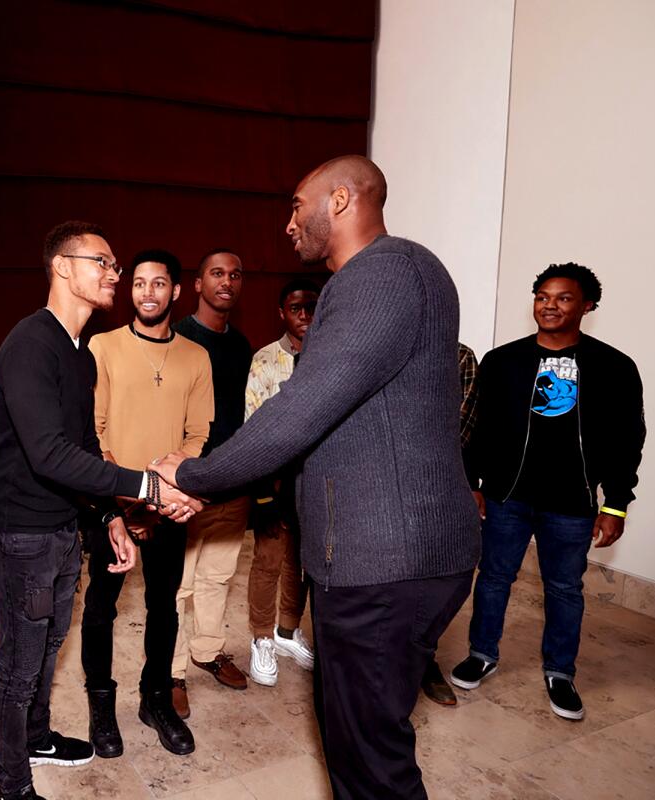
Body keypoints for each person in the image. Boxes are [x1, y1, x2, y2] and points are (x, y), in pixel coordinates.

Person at [153, 155, 480, 799]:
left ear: (338, 201)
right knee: (363, 738)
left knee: (369, 763)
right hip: (389, 556)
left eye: (296, 206)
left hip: (385, 559)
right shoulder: (401, 273)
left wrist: (193, 476)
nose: (288, 224)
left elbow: (300, 411)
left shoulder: (381, 275)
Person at [0, 221, 201, 800]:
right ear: (62, 267)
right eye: (101, 262)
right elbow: (48, 455)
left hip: (58, 527)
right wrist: (146, 489)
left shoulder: (77, 351)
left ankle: (37, 735)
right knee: (19, 666)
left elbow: (78, 442)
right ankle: (12, 786)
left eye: (113, 264)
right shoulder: (30, 345)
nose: (113, 274)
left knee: (50, 648)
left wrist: (109, 516)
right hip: (20, 532)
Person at [451, 263, 645, 721]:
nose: (549, 305)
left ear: (587, 306)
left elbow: (627, 440)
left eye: (562, 298)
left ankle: (560, 671)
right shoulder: (502, 361)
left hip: (572, 503)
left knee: (564, 588)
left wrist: (615, 502)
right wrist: (473, 484)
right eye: (542, 296)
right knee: (495, 577)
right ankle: (483, 653)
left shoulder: (614, 367)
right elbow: (478, 432)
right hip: (506, 496)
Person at [82, 249, 213, 758]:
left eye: (159, 284)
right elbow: (92, 431)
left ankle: (155, 699)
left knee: (164, 607)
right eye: (138, 283)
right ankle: (101, 706)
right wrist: (127, 497)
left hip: (168, 504)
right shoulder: (103, 346)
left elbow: (199, 434)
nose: (148, 293)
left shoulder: (195, 356)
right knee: (101, 607)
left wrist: (167, 488)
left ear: (176, 292)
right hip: (111, 503)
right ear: (129, 290)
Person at [168, 249, 255, 713]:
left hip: (232, 481)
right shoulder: (178, 338)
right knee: (179, 585)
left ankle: (207, 652)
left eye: (235, 274)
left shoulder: (240, 346)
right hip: (187, 484)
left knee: (218, 578)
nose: (227, 281)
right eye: (216, 273)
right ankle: (173, 670)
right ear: (198, 284)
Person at [241, 278, 320, 687]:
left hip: (319, 481)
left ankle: (288, 631)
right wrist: (262, 494)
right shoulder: (265, 360)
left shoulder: (332, 356)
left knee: (303, 565)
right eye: (295, 308)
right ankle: (261, 637)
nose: (304, 315)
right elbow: (253, 426)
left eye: (311, 305)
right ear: (282, 313)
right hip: (275, 481)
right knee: (269, 560)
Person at [420, 342, 480, 706]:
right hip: (376, 488)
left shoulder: (459, 357)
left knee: (436, 580)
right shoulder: (378, 344)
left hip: (437, 485)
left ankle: (422, 660)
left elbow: (464, 424)